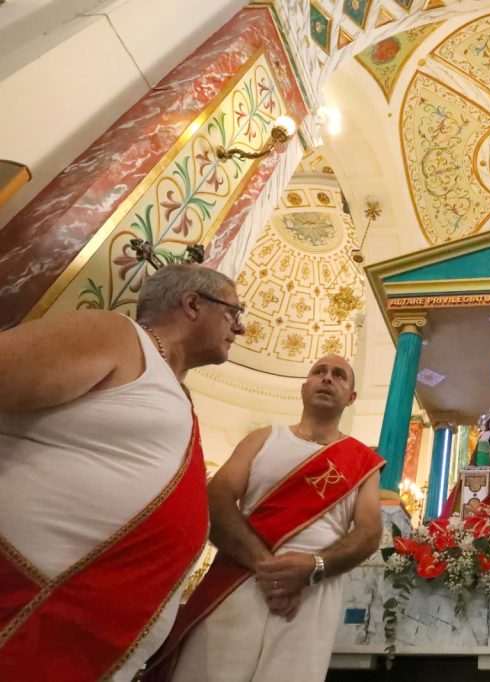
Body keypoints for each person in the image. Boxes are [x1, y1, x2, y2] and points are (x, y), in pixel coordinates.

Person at [0, 264, 244, 680]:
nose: (239, 329)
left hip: (84, 649)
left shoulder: (174, 392)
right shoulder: (116, 336)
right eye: (233, 313)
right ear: (192, 304)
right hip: (25, 616)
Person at [146, 354, 384, 681]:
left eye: (339, 375)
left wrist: (313, 567)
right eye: (319, 372)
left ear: (351, 397)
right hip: (241, 576)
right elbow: (217, 498)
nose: (327, 378)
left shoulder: (363, 461)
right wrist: (267, 567)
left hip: (313, 592)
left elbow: (369, 532)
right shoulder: (263, 438)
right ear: (304, 386)